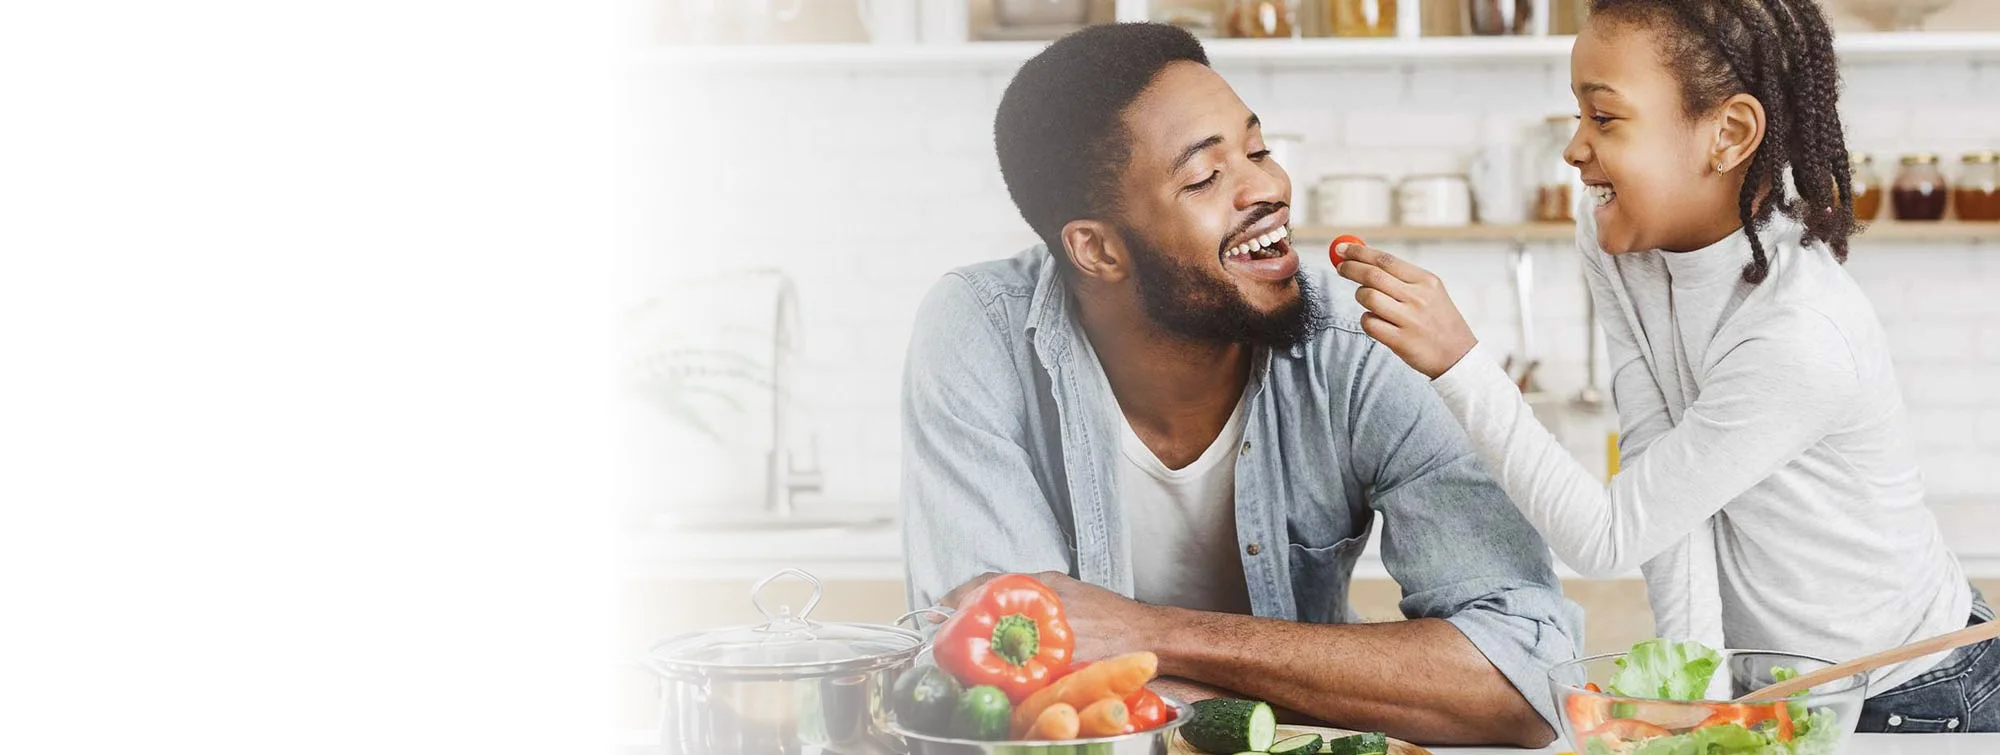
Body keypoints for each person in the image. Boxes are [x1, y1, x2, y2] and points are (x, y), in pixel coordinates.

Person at [898, 22, 1581, 747]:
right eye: (1204, 177)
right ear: (1097, 248)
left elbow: (1529, 683)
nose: (1269, 188)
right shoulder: (981, 331)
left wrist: (1147, 633)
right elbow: (1005, 685)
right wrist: (1354, 688)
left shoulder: (1363, 345)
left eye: (1257, 150)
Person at [1335, 0, 1996, 733]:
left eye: (1606, 118)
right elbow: (1665, 503)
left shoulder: (1800, 332)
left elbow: (1607, 537)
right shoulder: (1621, 241)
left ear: (1728, 134)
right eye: (1577, 115)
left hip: (1913, 692)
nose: (1575, 149)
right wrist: (1699, 696)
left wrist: (1459, 362)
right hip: (1782, 694)